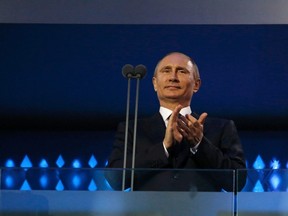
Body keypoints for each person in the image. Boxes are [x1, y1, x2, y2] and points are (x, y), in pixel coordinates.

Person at [106, 52, 246, 192]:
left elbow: (237, 182)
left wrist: (199, 144)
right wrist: (164, 147)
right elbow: (116, 180)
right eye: (166, 71)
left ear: (196, 84)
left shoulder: (222, 128)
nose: (173, 78)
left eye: (182, 71)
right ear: (155, 83)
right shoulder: (132, 129)